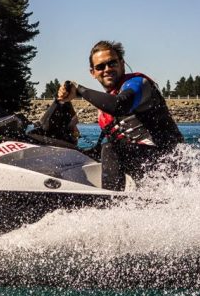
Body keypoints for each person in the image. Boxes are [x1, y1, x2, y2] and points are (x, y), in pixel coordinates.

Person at [57, 40, 183, 190]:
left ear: (122, 64)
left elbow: (120, 105)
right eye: (100, 66)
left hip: (170, 163)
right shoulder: (105, 108)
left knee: (111, 148)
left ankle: (111, 205)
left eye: (112, 63)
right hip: (146, 169)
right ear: (93, 73)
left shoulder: (138, 84)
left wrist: (79, 90)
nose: (107, 69)